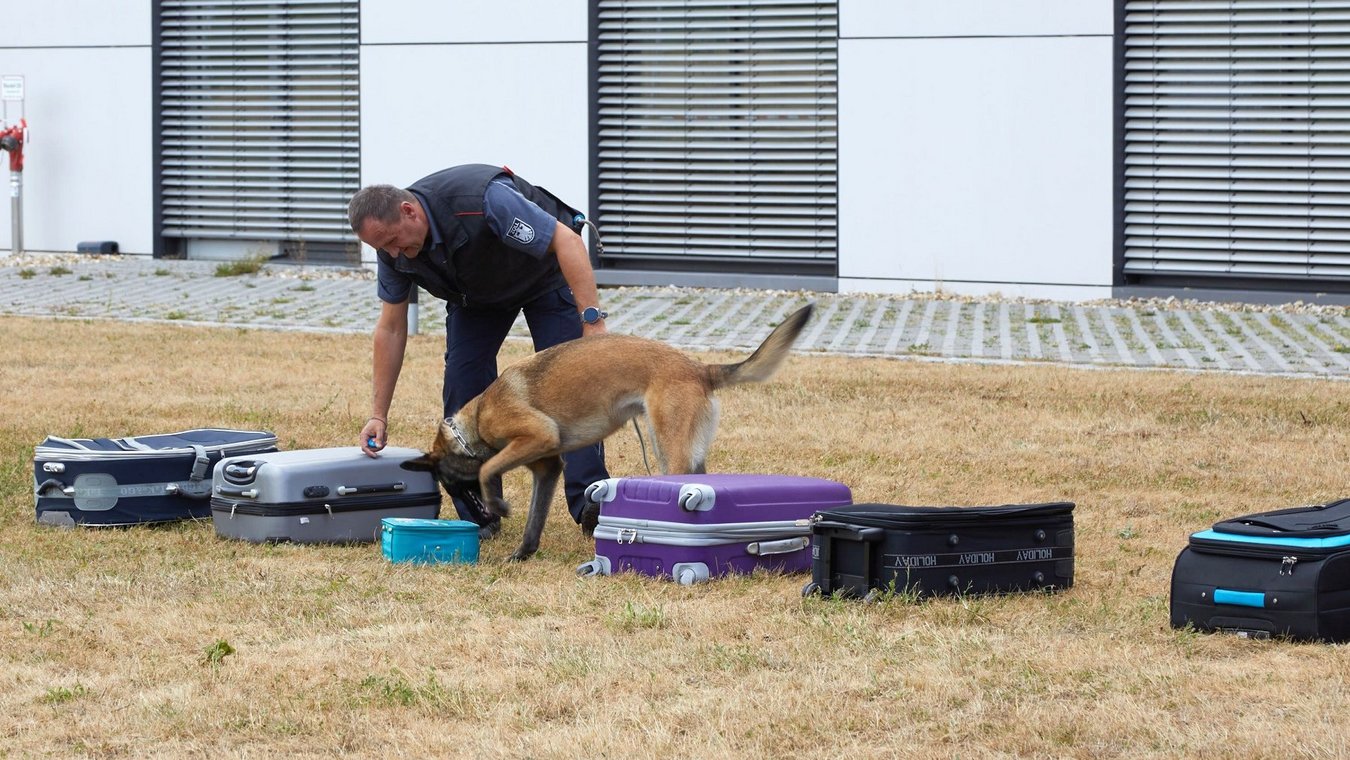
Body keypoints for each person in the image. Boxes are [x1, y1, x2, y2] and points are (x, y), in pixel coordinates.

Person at [347, 163, 610, 535]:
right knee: (462, 385)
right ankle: (479, 512)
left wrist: (592, 321)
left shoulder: (484, 200)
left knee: (568, 383)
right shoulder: (392, 250)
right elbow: (390, 328)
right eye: (382, 248)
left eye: (393, 241)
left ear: (409, 211)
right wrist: (378, 415)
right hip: (477, 296)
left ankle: (591, 504)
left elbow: (566, 240)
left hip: (544, 275)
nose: (394, 253)